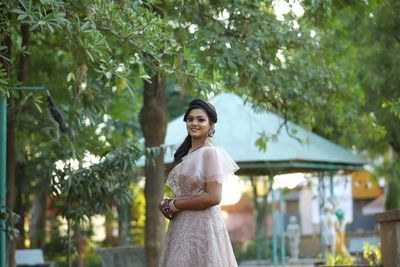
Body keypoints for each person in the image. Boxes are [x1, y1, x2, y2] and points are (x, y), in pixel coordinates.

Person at [158, 99, 239, 267]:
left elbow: (214, 197)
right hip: (180, 227)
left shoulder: (210, 153)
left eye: (201, 119)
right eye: (190, 119)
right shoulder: (186, 154)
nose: (194, 123)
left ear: (211, 126)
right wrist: (167, 204)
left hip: (202, 229)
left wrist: (175, 204)